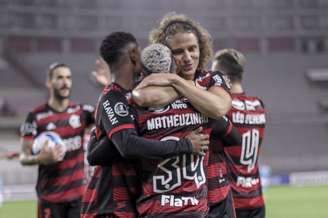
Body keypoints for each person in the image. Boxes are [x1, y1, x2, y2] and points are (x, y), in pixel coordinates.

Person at [80, 32, 210, 218]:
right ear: (133, 55)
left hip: (133, 203)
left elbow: (95, 153)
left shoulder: (140, 96)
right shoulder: (114, 97)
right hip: (108, 206)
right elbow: (125, 145)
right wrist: (185, 145)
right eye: (139, 51)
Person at [130, 13, 233, 217]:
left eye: (192, 48)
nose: (187, 58)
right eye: (178, 52)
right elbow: (142, 96)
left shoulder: (214, 78)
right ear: (166, 55)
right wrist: (193, 90)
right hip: (165, 201)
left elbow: (218, 107)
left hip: (215, 194)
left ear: (200, 49)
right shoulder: (157, 83)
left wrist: (176, 82)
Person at [19, 63, 95, 218]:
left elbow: (109, 117)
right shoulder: (35, 116)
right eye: (59, 77)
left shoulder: (82, 112)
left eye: (68, 77)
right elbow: (23, 157)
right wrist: (40, 158)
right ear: (49, 82)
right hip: (50, 198)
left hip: (78, 198)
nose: (65, 82)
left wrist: (106, 84)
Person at [212, 49, 267, 218]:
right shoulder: (259, 106)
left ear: (224, 77)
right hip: (256, 199)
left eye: (215, 75)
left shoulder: (222, 108)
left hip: (232, 202)